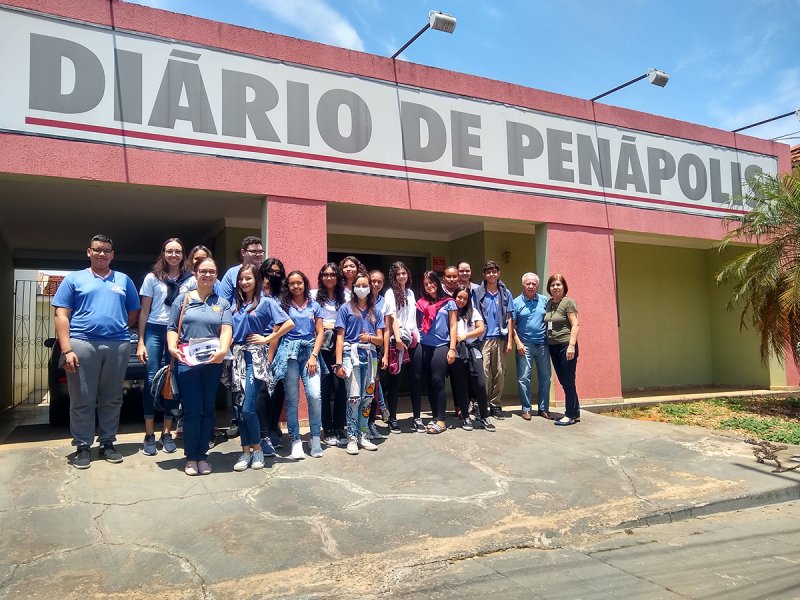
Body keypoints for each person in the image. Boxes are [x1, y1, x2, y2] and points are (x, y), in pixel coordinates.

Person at [53, 234, 141, 469]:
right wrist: (67, 349)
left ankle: (107, 443)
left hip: (118, 344)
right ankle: (83, 446)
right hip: (82, 343)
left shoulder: (123, 280)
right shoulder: (74, 279)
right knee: (82, 397)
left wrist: (118, 325)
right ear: (88, 252)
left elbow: (133, 312)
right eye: (97, 250)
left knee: (112, 397)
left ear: (112, 254)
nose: (102, 254)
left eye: (106, 250)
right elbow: (62, 315)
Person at [167, 257, 232, 476]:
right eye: (203, 271)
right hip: (187, 362)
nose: (207, 275)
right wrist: (171, 347)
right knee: (192, 410)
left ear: (216, 275)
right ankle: (190, 457)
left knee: (207, 409)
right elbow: (171, 328)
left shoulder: (221, 302)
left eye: (212, 271)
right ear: (196, 273)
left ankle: (202, 456)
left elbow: (226, 329)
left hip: (212, 363)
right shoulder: (182, 300)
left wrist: (223, 351)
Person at [229, 264, 293, 471]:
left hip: (254, 359)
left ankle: (257, 450)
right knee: (240, 409)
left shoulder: (266, 302)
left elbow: (288, 323)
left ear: (256, 279)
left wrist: (267, 338)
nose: (244, 282)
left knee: (249, 408)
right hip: (237, 358)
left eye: (248, 278)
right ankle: (245, 452)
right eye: (241, 279)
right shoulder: (236, 305)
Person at [136, 237, 192, 456]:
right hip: (154, 329)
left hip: (179, 332)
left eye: (178, 251)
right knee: (151, 379)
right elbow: (144, 311)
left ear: (182, 254)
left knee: (172, 379)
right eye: (169, 251)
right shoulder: (152, 278)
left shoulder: (191, 280)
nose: (174, 255)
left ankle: (166, 432)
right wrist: (140, 341)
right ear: (163, 254)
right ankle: (149, 434)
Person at [334, 273, 385, 455]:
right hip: (351, 356)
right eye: (359, 285)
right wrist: (339, 363)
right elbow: (339, 337)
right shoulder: (345, 309)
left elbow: (380, 340)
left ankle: (363, 434)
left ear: (370, 288)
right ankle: (352, 437)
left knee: (368, 398)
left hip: (371, 357)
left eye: (365, 285)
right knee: (354, 398)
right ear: (353, 287)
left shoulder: (376, 311)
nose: (362, 288)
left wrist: (369, 337)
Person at [280, 270, 325, 459]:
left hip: (309, 352)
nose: (296, 286)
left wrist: (314, 355)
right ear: (287, 286)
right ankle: (296, 440)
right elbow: (278, 330)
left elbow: (320, 332)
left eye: (299, 283)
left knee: (314, 395)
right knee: (292, 400)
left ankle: (315, 437)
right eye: (292, 283)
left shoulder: (314, 306)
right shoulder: (282, 305)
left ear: (305, 284)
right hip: (289, 352)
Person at [383, 261, 423, 433]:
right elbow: (392, 317)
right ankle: (392, 418)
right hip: (398, 340)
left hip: (414, 339)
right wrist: (398, 340)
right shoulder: (390, 293)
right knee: (396, 381)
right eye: (398, 274)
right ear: (394, 276)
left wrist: (414, 336)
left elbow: (412, 318)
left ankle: (417, 417)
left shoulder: (411, 293)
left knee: (415, 378)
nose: (401, 276)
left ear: (408, 274)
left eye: (404, 273)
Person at [312, 263, 349, 447]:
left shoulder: (346, 297)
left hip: (340, 345)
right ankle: (327, 428)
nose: (329, 278)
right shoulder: (313, 295)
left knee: (341, 387)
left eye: (333, 274)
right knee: (324, 389)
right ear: (321, 277)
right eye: (325, 275)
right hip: (321, 346)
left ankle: (339, 426)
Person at [416, 271, 457, 434]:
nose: (429, 286)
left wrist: (452, 348)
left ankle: (441, 420)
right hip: (424, 345)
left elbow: (453, 326)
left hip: (441, 345)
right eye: (426, 284)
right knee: (429, 383)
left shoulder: (449, 302)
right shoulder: (421, 303)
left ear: (437, 282)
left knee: (438, 379)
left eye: (431, 282)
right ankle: (434, 416)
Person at [474, 260, 514, 419]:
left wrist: (510, 340)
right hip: (483, 339)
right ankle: (482, 405)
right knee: (483, 374)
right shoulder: (477, 292)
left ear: (498, 273)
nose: (491, 274)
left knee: (499, 373)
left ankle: (495, 404)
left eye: (494, 271)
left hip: (500, 338)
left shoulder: (505, 293)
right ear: (484, 274)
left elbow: (510, 317)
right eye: (488, 271)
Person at [451, 286, 494, 431]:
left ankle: (484, 416)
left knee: (480, 385)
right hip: (457, 352)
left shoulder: (473, 311)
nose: (461, 300)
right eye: (459, 297)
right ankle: (465, 417)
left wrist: (466, 336)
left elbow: (481, 328)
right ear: (454, 296)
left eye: (464, 298)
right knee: (461, 386)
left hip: (472, 351)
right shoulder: (450, 311)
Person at [512, 272, 552, 420]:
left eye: (534, 284)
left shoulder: (544, 301)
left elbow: (550, 320)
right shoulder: (516, 303)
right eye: (528, 283)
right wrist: (518, 343)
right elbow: (512, 326)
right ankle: (526, 409)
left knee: (545, 377)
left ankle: (543, 409)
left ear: (537, 285)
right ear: (523, 284)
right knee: (524, 378)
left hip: (543, 344)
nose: (531, 286)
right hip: (525, 345)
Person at [544, 274, 581, 426]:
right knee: (564, 381)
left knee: (568, 381)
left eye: (558, 284)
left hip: (566, 346)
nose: (555, 287)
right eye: (553, 285)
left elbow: (575, 324)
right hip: (553, 346)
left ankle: (569, 415)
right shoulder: (549, 303)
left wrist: (571, 345)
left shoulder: (568, 302)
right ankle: (576, 412)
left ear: (564, 287)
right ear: (549, 288)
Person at [259, 257, 288, 449]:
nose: (274, 275)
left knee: (278, 389)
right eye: (271, 271)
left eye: (278, 272)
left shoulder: (284, 294)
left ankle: (271, 426)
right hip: (259, 343)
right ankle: (263, 429)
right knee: (262, 390)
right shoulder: (256, 292)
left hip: (280, 344)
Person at [366, 269, 390, 440]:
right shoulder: (360, 301)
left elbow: (386, 331)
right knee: (364, 389)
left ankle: (372, 423)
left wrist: (386, 354)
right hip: (358, 349)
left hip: (377, 349)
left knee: (372, 384)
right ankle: (381, 407)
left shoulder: (384, 303)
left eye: (379, 282)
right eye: (372, 281)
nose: (375, 284)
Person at [217, 236, 265, 305]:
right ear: (243, 252)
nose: (258, 255)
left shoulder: (266, 271)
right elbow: (222, 303)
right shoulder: (232, 273)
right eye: (254, 251)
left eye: (260, 252)